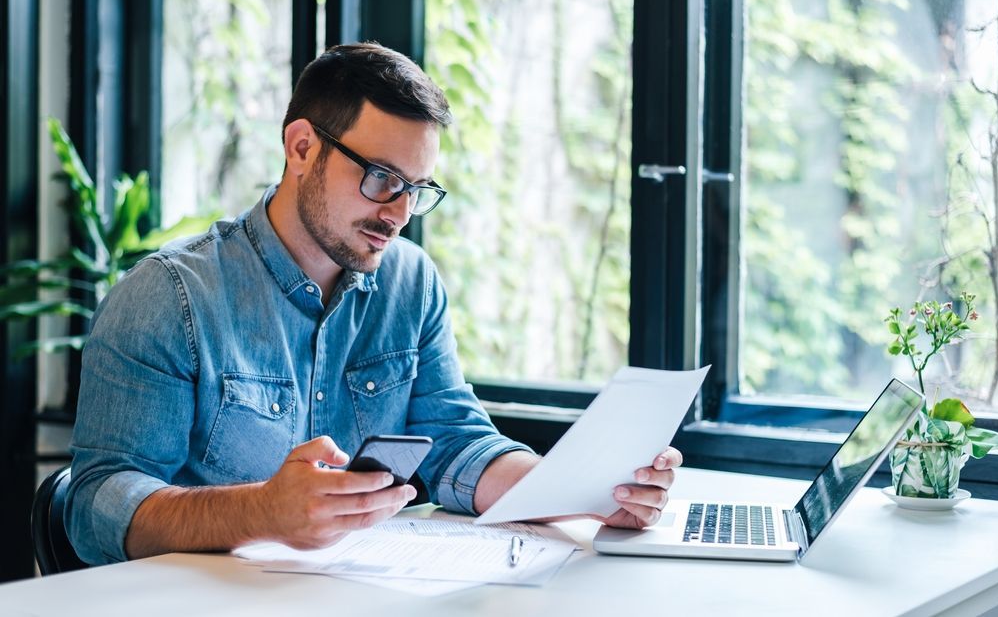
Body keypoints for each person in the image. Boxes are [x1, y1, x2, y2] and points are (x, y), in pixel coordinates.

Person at [66, 42, 683, 565]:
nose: (398, 215)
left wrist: (584, 490)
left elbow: (453, 440)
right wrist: (259, 511)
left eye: (416, 189)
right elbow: (96, 506)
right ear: (302, 147)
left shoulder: (410, 283)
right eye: (383, 178)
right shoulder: (170, 295)